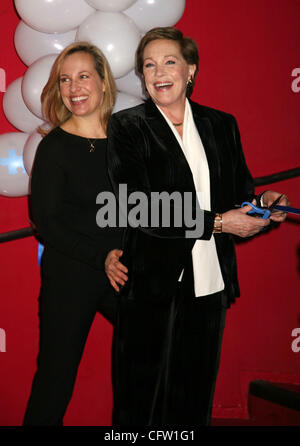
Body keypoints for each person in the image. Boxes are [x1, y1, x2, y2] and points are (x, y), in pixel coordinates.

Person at [105, 27, 288, 426]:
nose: (159, 72)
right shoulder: (127, 127)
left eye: (169, 61)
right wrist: (219, 223)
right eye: (149, 65)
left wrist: (264, 205)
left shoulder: (221, 124)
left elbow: (240, 196)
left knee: (192, 402)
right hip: (151, 286)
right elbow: (137, 208)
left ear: (191, 70)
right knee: (140, 407)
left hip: (210, 282)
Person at [23, 42, 123, 426]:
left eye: (83, 76)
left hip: (122, 272)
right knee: (55, 379)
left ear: (102, 82)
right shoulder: (54, 148)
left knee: (150, 368)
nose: (74, 87)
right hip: (71, 275)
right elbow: (46, 223)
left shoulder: (127, 141)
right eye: (65, 79)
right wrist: (102, 257)